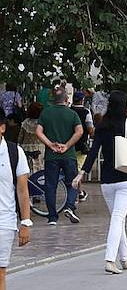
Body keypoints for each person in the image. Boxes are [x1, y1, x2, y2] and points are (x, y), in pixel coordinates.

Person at [74, 91, 127, 275]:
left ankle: (125, 257)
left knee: (117, 218)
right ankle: (110, 259)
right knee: (118, 218)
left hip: (107, 181)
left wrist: (82, 173)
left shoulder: (102, 125)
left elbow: (94, 151)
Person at [0, 109, 31, 290]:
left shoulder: (13, 152)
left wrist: (26, 222)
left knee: (0, 273)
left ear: (2, 127)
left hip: (4, 220)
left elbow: (22, 190)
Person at [36, 82, 84, 225]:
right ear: (66, 100)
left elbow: (38, 132)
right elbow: (79, 131)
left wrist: (50, 144)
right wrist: (67, 145)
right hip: (68, 154)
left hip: (51, 155)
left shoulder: (46, 113)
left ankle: (52, 217)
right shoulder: (72, 114)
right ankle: (69, 206)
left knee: (50, 185)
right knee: (72, 183)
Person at [18, 103, 43, 173]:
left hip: (26, 148)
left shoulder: (25, 123)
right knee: (39, 171)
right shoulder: (42, 123)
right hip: (40, 148)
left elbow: (20, 138)